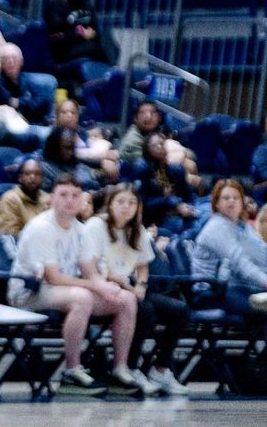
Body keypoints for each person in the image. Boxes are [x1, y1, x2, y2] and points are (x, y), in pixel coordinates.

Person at [8, 174, 141, 396]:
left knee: (125, 300)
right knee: (82, 297)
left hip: (64, 290)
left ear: (82, 200)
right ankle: (71, 370)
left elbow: (90, 269)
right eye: (63, 195)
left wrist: (107, 285)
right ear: (51, 198)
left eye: (75, 195)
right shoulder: (41, 227)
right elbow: (53, 278)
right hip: (28, 292)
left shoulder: (81, 229)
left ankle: (119, 370)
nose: (70, 200)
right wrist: (96, 286)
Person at [81, 184, 190, 396]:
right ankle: (130, 367)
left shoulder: (137, 229)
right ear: (110, 204)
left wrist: (140, 285)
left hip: (130, 287)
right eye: (121, 201)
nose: (126, 207)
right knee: (145, 309)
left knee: (180, 310)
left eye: (132, 202)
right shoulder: (96, 225)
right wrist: (130, 287)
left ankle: (161, 368)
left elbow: (143, 265)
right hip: (104, 288)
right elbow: (96, 270)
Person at [192, 179, 267, 317]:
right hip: (210, 293)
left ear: (242, 202)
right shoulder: (216, 227)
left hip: (234, 287)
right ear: (217, 203)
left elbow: (261, 252)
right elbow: (241, 264)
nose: (231, 201)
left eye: (236, 198)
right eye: (226, 198)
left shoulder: (240, 225)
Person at [44, 0, 108, 89]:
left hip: (84, 47)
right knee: (94, 48)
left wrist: (92, 34)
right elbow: (54, 35)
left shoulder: (86, 5)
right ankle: (109, 79)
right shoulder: (56, 3)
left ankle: (112, 76)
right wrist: (79, 33)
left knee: (105, 42)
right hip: (63, 50)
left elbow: (95, 30)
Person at [127, 132, 196, 233]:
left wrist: (190, 207)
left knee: (204, 211)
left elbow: (188, 193)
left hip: (179, 212)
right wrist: (171, 202)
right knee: (192, 227)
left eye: (162, 143)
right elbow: (142, 202)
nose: (160, 147)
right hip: (157, 219)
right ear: (147, 149)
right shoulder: (142, 168)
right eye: (155, 145)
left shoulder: (175, 169)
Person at [0, 158, 50, 236]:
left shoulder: (48, 199)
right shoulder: (9, 199)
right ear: (20, 178)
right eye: (27, 174)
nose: (32, 177)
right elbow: (8, 236)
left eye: (37, 174)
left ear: (42, 178)